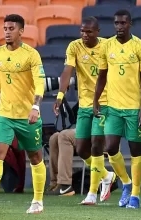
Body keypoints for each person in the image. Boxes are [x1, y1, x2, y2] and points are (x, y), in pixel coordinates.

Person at [0, 14, 47, 214]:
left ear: (21, 31)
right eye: (5, 28)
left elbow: (40, 83)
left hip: (27, 115)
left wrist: (36, 107)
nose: (7, 32)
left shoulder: (31, 55)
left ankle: (37, 201)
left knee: (35, 157)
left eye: (11, 29)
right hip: (5, 114)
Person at [53, 17, 116, 203]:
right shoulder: (74, 46)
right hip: (85, 104)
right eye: (82, 31)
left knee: (96, 145)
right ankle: (106, 175)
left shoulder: (107, 46)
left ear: (97, 31)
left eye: (88, 32)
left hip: (105, 103)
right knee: (81, 148)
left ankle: (92, 193)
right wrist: (60, 95)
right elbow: (67, 71)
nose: (84, 35)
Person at [93, 9, 141, 209]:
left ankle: (135, 195)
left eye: (123, 23)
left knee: (136, 152)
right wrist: (96, 99)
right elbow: (101, 76)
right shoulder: (106, 46)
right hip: (113, 108)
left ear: (130, 24)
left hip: (134, 108)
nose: (119, 27)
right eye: (116, 23)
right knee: (110, 148)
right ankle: (126, 182)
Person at [46, 128, 76, 196]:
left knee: (65, 135)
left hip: (97, 130)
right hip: (83, 126)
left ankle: (65, 185)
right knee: (54, 137)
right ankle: (56, 183)